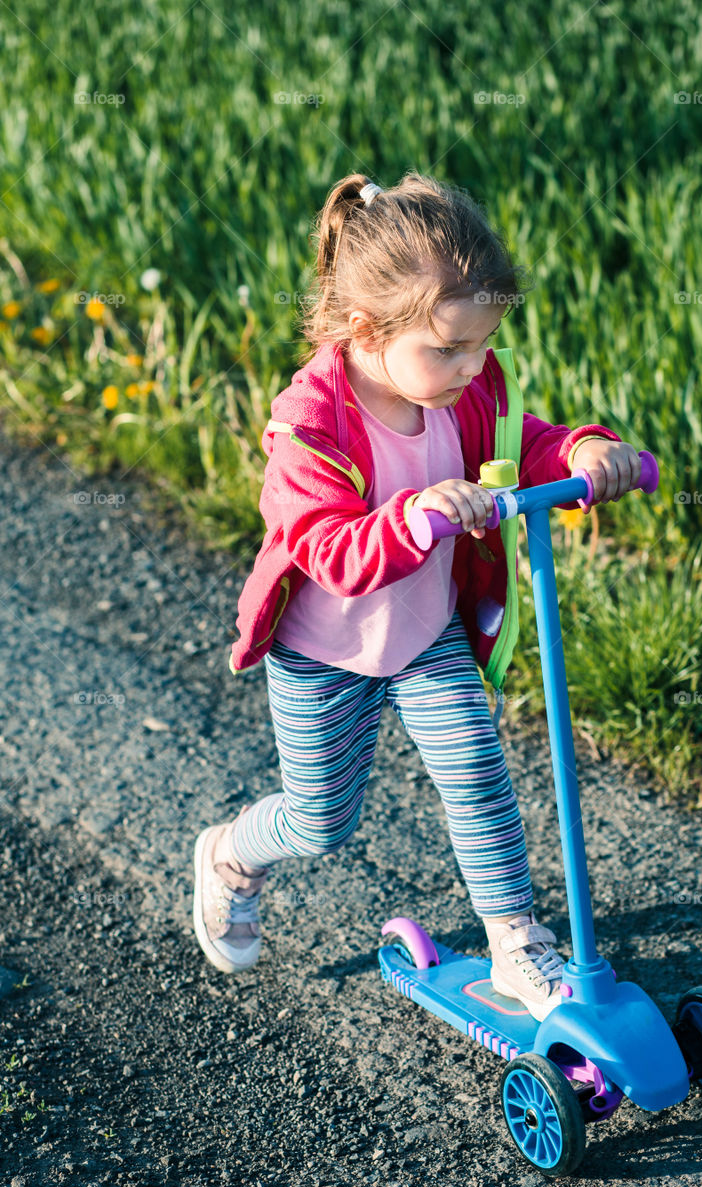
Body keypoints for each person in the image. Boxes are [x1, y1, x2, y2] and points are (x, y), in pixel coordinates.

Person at [192, 171, 641, 1020]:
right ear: (365, 328)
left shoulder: (460, 391)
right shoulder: (310, 427)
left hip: (425, 631)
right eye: (449, 349)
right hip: (326, 650)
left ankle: (515, 942)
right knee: (321, 820)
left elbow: (525, 444)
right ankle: (228, 856)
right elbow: (326, 549)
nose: (472, 368)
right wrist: (415, 515)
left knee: (476, 770)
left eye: (482, 346)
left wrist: (583, 453)